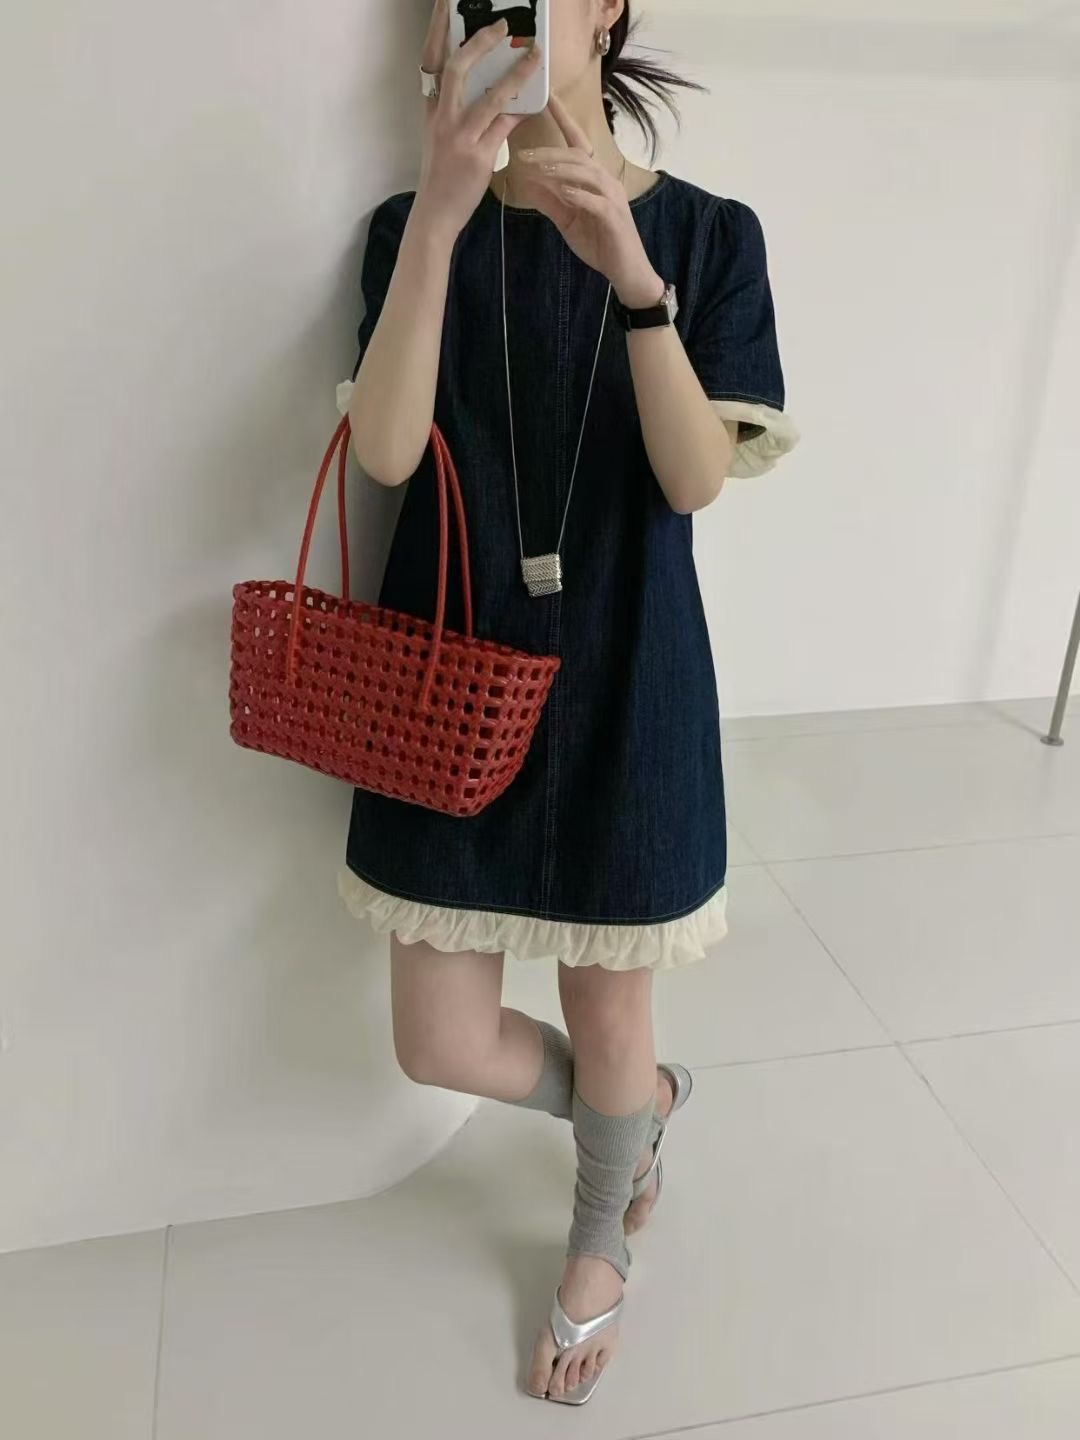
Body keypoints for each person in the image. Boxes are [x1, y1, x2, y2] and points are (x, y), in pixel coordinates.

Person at [336, 0, 799, 1406]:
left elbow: (692, 478)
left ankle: (600, 1241)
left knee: (610, 1013)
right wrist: (440, 215)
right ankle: (637, 1117)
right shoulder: (409, 227)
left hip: (623, 666)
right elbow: (388, 453)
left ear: (604, 11)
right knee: (437, 1039)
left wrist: (636, 282)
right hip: (450, 680)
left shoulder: (709, 236)